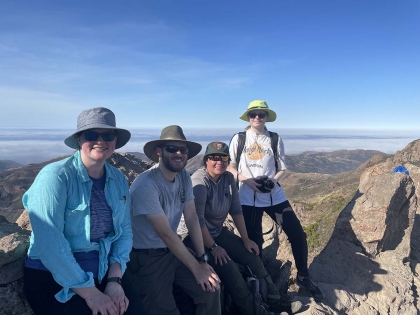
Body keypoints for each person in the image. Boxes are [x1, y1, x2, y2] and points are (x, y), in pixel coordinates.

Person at [22, 107, 147, 315]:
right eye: (91, 135)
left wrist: (115, 280)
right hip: (53, 276)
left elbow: (124, 231)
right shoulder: (55, 177)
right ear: (79, 139)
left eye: (107, 135)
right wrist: (90, 293)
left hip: (103, 271)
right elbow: (50, 244)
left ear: (115, 141)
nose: (100, 141)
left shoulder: (118, 179)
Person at [186, 141, 302, 315]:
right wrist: (214, 247)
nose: (220, 162)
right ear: (206, 160)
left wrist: (246, 239)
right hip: (195, 238)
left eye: (224, 158)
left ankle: (275, 299)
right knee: (231, 270)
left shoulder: (227, 178)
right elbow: (197, 221)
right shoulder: (200, 183)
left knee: (252, 256)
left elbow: (236, 210)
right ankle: (258, 312)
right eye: (214, 158)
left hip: (217, 232)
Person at [228, 100, 325, 302]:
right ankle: (259, 280)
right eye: (253, 114)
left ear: (266, 117)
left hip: (274, 196)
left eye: (261, 115)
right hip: (247, 197)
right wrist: (247, 181)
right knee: (256, 242)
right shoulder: (238, 139)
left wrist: (272, 181)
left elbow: (282, 167)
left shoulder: (274, 138)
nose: (257, 118)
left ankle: (303, 277)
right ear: (248, 117)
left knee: (298, 234)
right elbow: (231, 167)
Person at [127, 125, 221, 315]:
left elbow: (192, 217)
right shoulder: (146, 185)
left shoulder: (183, 176)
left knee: (211, 289)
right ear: (159, 152)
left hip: (172, 250)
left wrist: (202, 259)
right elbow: (166, 234)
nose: (178, 153)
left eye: (183, 150)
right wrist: (196, 268)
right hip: (147, 257)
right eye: (172, 149)